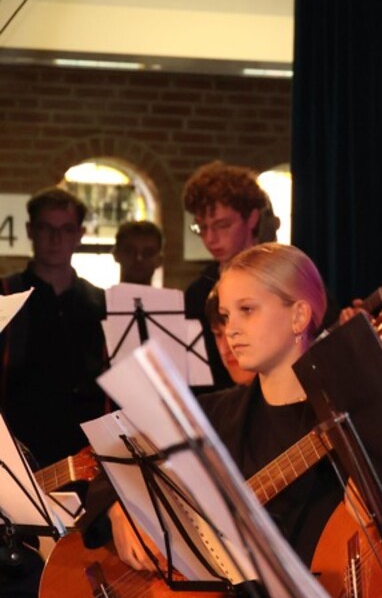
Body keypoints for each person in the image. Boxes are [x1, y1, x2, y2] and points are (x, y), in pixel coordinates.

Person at [109, 243, 341, 579]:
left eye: (247, 310)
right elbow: (114, 457)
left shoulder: (344, 417)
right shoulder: (211, 413)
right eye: (227, 315)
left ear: (299, 316)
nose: (231, 329)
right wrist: (122, 509)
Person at [0, 186, 109, 467]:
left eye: (66, 229)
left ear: (80, 234)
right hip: (18, 448)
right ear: (30, 230)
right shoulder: (5, 292)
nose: (55, 238)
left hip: (87, 451)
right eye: (45, 228)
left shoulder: (100, 301)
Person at [182, 160, 270, 391]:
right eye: (202, 227)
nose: (210, 238)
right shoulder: (198, 293)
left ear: (252, 218)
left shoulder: (282, 278)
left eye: (222, 225)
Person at [112, 220, 164, 286]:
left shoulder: (173, 293)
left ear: (160, 259)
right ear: (116, 255)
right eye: (130, 251)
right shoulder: (104, 293)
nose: (139, 258)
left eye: (148, 253)